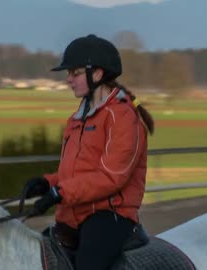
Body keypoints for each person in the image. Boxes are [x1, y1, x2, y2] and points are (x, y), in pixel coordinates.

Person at [22, 34, 154, 270]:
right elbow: (78, 170)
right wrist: (47, 183)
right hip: (74, 213)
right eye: (69, 73)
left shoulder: (122, 117)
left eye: (75, 72)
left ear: (97, 74)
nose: (69, 79)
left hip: (111, 216)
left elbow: (112, 177)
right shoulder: (77, 117)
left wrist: (59, 192)